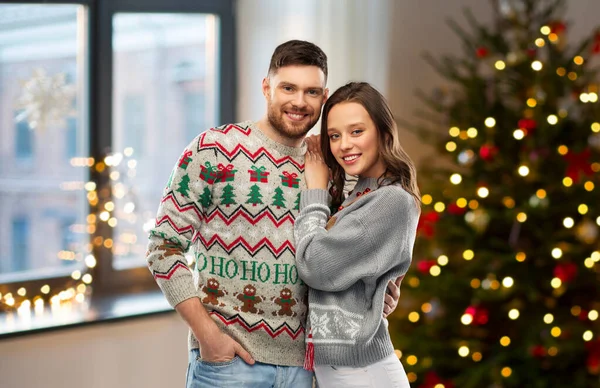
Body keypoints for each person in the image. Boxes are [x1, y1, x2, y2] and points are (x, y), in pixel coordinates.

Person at [145, 41, 401, 387]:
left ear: (323, 98)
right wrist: (208, 336)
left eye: (311, 91)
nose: (299, 101)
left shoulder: (333, 164)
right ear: (266, 88)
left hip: (306, 369)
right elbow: (163, 246)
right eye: (288, 88)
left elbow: (349, 251)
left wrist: (381, 287)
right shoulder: (215, 149)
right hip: (229, 364)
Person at [294, 81, 421, 387]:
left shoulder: (391, 201)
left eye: (356, 131)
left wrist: (315, 192)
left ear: (382, 131)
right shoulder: (361, 193)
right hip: (345, 373)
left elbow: (315, 265)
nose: (344, 145)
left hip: (365, 375)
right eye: (334, 135)